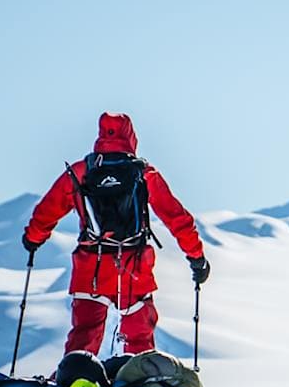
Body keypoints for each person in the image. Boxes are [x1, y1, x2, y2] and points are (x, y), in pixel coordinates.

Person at [22, 112, 210, 356]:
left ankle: (74, 384)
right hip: (134, 266)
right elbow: (177, 218)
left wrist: (33, 238)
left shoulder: (81, 172)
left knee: (83, 337)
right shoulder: (144, 174)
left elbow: (48, 209)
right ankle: (137, 386)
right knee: (139, 340)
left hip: (91, 266)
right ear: (131, 137)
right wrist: (196, 257)